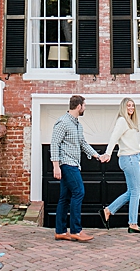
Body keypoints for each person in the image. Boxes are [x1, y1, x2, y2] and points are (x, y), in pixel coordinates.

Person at [50, 94, 100, 242]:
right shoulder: (63, 122)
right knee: (79, 192)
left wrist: (97, 156)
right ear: (79, 106)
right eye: (84, 106)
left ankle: (60, 231)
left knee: (64, 198)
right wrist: (56, 166)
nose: (85, 108)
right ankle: (76, 230)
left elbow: (83, 143)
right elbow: (54, 144)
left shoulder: (77, 124)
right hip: (67, 164)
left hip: (74, 164)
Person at [99, 97, 140, 233]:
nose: (131, 108)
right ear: (123, 107)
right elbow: (113, 138)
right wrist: (108, 153)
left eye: (133, 105)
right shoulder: (122, 121)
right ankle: (132, 224)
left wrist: (138, 160)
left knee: (132, 191)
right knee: (136, 191)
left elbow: (132, 144)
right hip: (128, 158)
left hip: (133, 158)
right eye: (128, 106)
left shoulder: (130, 122)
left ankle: (108, 210)